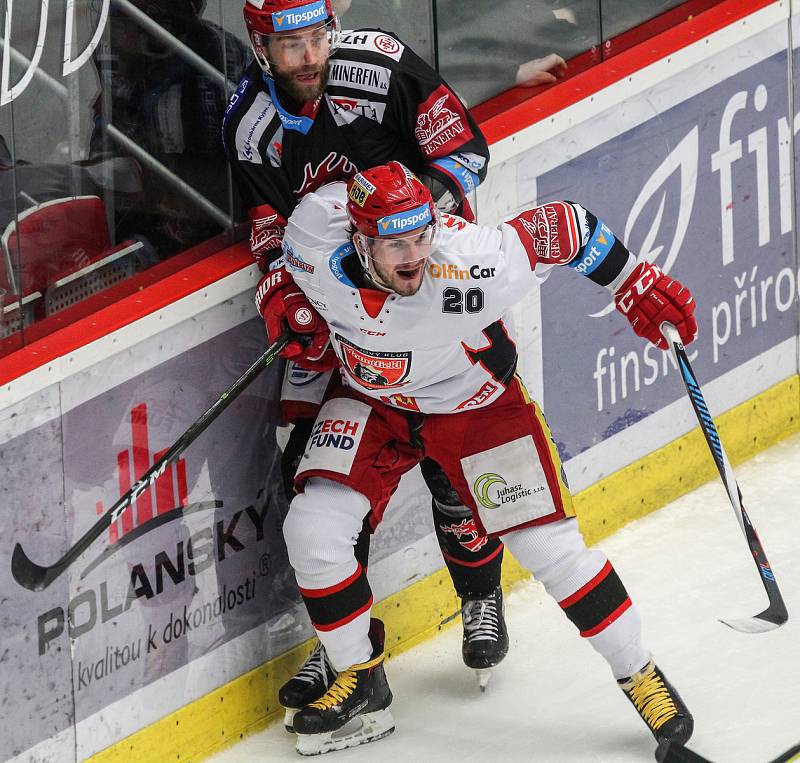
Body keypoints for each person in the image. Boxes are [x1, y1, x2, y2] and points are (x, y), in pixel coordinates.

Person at [255, 161, 698, 754]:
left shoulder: (467, 260)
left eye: (420, 236)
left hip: (476, 407)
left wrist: (631, 280)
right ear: (359, 240)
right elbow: (280, 253)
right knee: (311, 528)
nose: (413, 256)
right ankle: (361, 679)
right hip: (374, 402)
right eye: (394, 244)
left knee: (549, 551)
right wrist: (280, 293)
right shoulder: (316, 226)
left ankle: (641, 674)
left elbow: (563, 227)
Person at [222, 0, 511, 717]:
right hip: (342, 319)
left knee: (455, 460)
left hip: (427, 291)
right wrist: (284, 297)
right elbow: (266, 233)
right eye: (291, 45)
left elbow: (464, 152)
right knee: (318, 480)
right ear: (260, 47)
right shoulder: (250, 128)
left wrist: (406, 238)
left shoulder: (379, 65)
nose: (310, 56)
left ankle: (481, 596)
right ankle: (348, 647)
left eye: (318, 37)